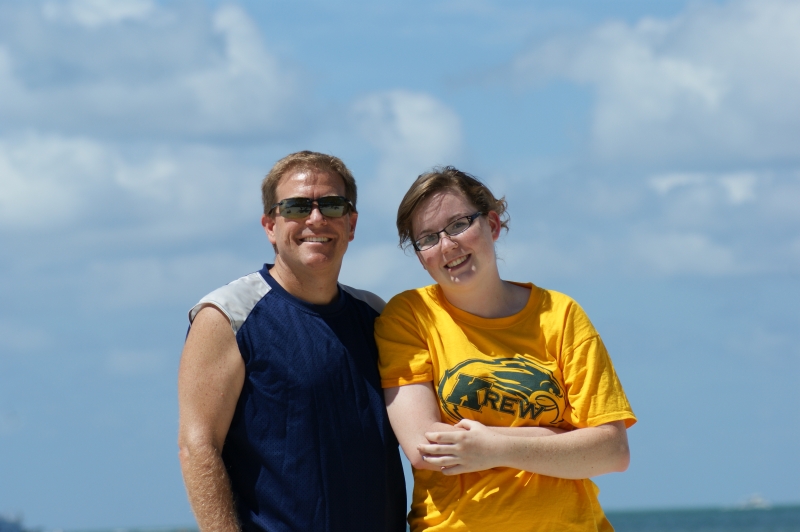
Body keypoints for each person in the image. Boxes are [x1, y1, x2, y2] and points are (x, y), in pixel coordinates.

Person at [375, 166, 636, 531]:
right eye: (428, 238)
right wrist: (564, 440)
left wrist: (493, 446)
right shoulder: (410, 317)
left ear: (493, 225)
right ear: (420, 256)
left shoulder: (560, 315)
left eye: (458, 224)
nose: (447, 245)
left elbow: (612, 451)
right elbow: (425, 449)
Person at [178, 151, 406, 532]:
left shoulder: (378, 317)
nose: (316, 219)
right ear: (270, 225)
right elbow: (197, 447)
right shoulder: (227, 316)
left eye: (332, 205)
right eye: (297, 207)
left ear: (351, 223)